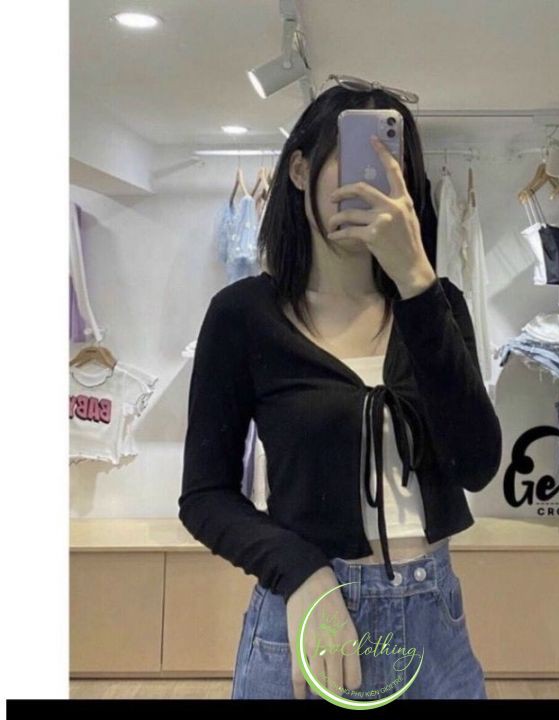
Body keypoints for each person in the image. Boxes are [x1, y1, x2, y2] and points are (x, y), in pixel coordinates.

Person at [179, 77, 502, 702]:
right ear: (300, 170)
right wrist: (301, 571)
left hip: (435, 624)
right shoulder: (243, 316)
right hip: (308, 621)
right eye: (356, 161)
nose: (371, 184)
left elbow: (477, 463)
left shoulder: (436, 306)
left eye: (391, 168)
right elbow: (205, 495)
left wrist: (416, 282)